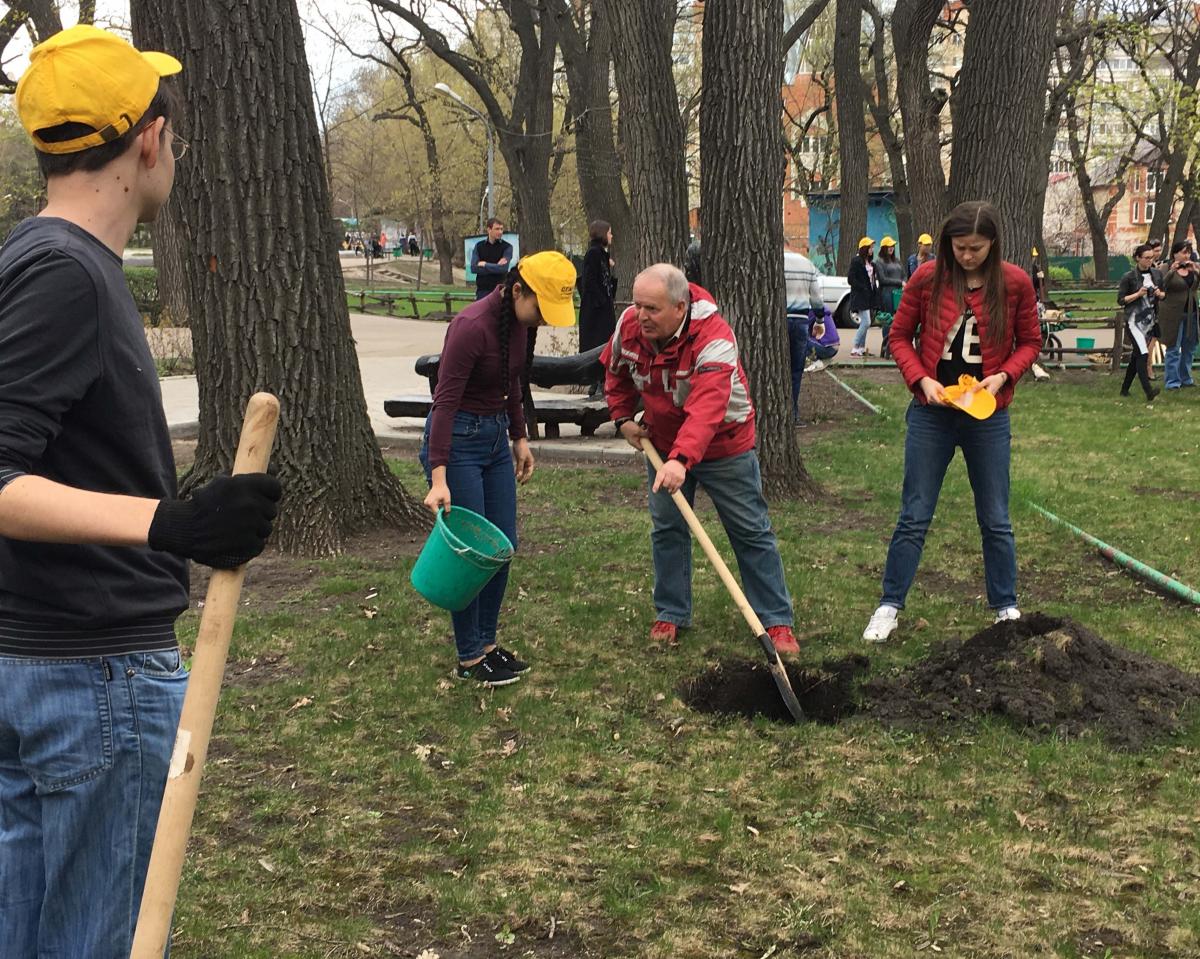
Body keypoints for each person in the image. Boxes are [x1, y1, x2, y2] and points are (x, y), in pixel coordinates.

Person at [0, 25, 282, 959]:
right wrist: (170, 522)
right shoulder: (65, 274)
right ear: (148, 138)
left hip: (48, 667)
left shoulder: (44, 263)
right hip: (87, 679)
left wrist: (169, 503)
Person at [862, 200, 1041, 643]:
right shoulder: (927, 278)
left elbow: (1031, 342)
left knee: (996, 517)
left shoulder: (1015, 283)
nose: (967, 256)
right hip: (932, 415)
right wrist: (920, 379)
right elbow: (899, 336)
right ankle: (888, 606)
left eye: (976, 248)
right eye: (960, 247)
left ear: (993, 245)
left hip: (987, 416)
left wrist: (1003, 376)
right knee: (914, 514)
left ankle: (1006, 607)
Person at [601, 264, 798, 655]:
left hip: (725, 444)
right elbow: (615, 372)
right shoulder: (629, 326)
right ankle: (671, 612)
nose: (641, 316)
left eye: (652, 309)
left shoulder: (715, 338)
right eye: (637, 305)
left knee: (750, 530)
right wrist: (622, 417)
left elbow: (708, 406)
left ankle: (775, 621)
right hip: (662, 442)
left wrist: (681, 460)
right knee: (667, 529)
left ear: (680, 306)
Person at [420, 251, 578, 687]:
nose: (544, 321)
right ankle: (469, 656)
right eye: (540, 309)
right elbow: (445, 403)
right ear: (516, 290)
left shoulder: (518, 326)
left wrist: (519, 438)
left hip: (493, 441)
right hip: (459, 444)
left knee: (503, 546)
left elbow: (512, 384)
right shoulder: (470, 328)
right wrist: (439, 477)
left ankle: (488, 644)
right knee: (473, 555)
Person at [1116, 243, 1165, 401]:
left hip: (1149, 321)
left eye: (1152, 258)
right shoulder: (1128, 277)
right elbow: (1121, 300)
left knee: (1136, 356)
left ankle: (1124, 390)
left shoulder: (1157, 274)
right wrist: (1138, 294)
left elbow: (1164, 295)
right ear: (1138, 258)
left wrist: (1159, 294)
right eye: (1146, 258)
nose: (1149, 261)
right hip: (1134, 320)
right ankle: (1148, 391)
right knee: (1143, 354)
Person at [578, 219, 618, 397]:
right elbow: (590, 282)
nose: (611, 236)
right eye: (609, 232)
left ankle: (600, 381)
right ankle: (597, 382)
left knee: (604, 344)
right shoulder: (594, 254)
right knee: (598, 344)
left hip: (602, 309)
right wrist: (602, 303)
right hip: (596, 313)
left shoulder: (602, 255)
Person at [784, 249, 825, 424]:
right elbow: (816, 297)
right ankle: (793, 413)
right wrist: (819, 319)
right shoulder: (806, 264)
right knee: (796, 369)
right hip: (800, 322)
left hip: (779, 320)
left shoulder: (776, 262)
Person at [1158, 240, 1198, 391]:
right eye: (1183, 252)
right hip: (1173, 314)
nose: (1186, 255)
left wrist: (1196, 270)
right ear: (1175, 253)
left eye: (1188, 252)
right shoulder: (1165, 267)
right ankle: (1172, 382)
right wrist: (1171, 271)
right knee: (1173, 348)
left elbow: (1196, 285)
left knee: (1189, 347)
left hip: (1192, 313)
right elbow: (1161, 286)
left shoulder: (1192, 268)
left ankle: (1186, 378)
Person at [847, 236, 878, 357]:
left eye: (872, 247)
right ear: (864, 248)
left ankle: (861, 348)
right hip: (859, 296)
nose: (872, 250)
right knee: (866, 322)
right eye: (870, 247)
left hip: (868, 297)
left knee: (865, 322)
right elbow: (851, 279)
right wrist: (862, 287)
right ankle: (855, 346)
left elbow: (872, 280)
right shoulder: (856, 261)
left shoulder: (871, 264)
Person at [470, 217, 513, 300]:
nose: (500, 232)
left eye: (501, 229)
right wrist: (496, 266)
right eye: (497, 229)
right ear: (489, 230)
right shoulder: (479, 246)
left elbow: (503, 269)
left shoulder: (507, 247)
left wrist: (485, 264)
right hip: (482, 291)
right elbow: (474, 268)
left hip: (500, 291)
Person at [804, 307, 840, 372]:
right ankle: (820, 360)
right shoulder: (821, 309)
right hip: (833, 347)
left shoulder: (812, 311)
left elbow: (803, 328)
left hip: (827, 348)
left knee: (799, 339)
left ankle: (817, 361)